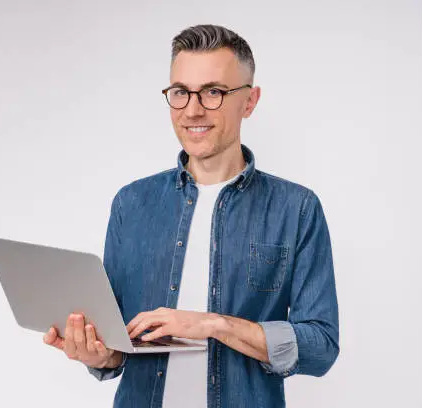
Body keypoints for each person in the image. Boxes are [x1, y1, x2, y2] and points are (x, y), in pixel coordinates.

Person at [43, 24, 339, 408]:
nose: (192, 110)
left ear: (249, 101)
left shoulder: (296, 208)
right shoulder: (131, 203)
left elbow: (321, 347)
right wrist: (98, 354)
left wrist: (213, 324)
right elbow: (118, 345)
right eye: (180, 92)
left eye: (213, 92)